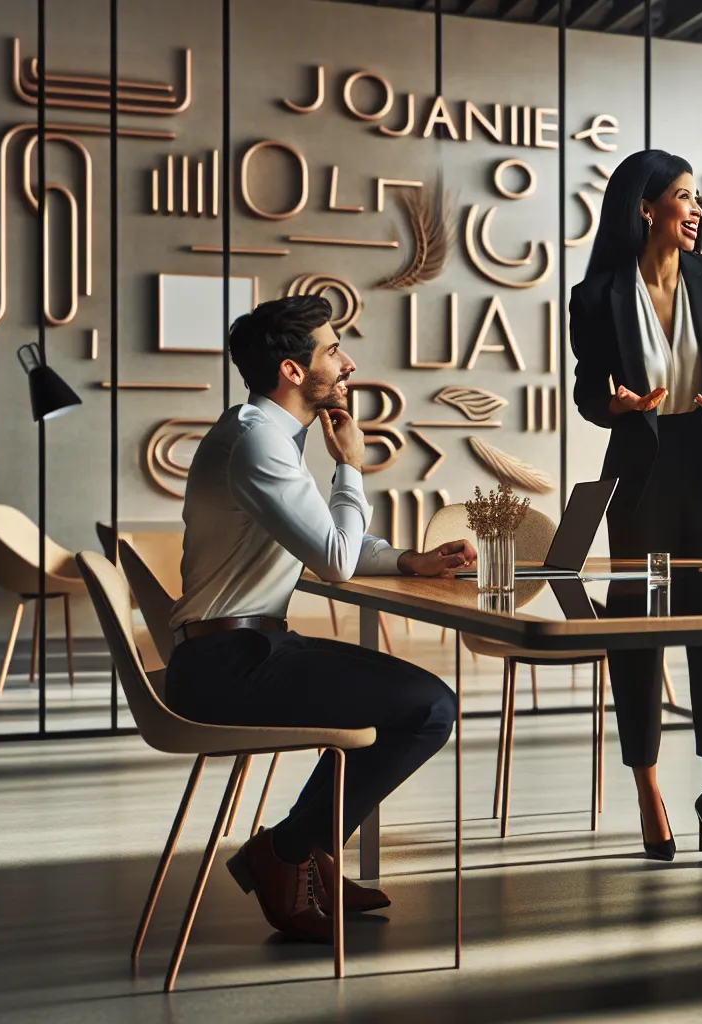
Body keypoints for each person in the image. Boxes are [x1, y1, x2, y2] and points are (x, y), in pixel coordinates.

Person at [164, 295, 473, 942]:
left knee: (410, 703)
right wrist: (350, 467)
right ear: (293, 372)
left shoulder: (266, 434)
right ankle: (286, 853)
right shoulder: (257, 444)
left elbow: (326, 541)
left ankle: (308, 851)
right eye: (334, 350)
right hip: (227, 666)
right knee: (428, 708)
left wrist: (408, 561)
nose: (349, 362)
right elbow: (333, 560)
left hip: (249, 648)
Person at [569, 149, 702, 870]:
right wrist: (612, 405)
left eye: (698, 198)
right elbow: (589, 394)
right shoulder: (596, 297)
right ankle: (648, 791)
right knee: (637, 634)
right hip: (641, 475)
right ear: (646, 208)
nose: (697, 210)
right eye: (684, 197)